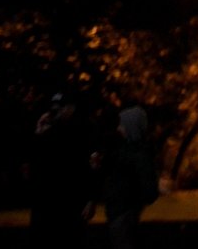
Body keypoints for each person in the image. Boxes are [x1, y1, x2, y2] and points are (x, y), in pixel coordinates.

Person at [25, 91, 97, 249]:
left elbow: (89, 168)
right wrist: (39, 133)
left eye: (61, 108)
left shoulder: (81, 131)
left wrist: (90, 199)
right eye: (54, 108)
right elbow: (35, 166)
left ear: (71, 108)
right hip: (48, 203)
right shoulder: (47, 133)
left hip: (70, 203)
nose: (56, 112)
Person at [96, 105, 159, 249]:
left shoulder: (136, 154)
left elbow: (148, 188)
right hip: (120, 212)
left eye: (122, 125)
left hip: (124, 213)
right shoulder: (125, 151)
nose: (119, 128)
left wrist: (131, 201)